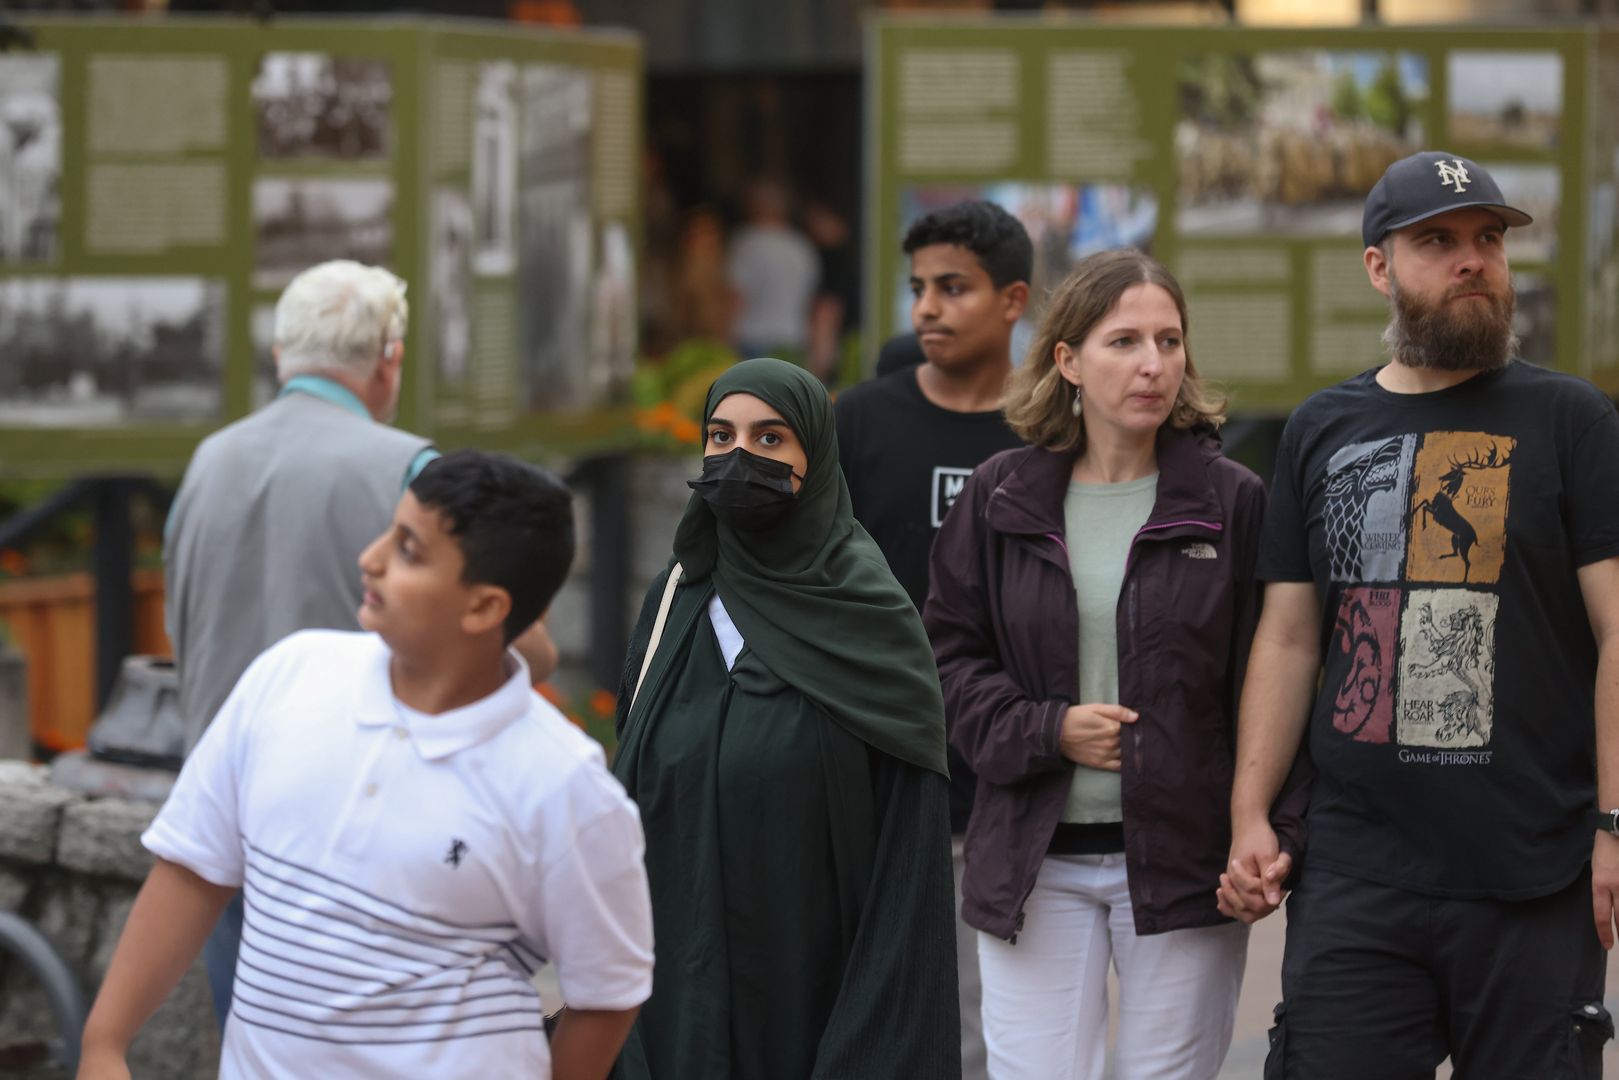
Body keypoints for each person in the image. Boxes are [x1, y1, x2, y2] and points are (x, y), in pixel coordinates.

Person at [1221, 150, 1619, 1078]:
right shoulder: (1321, 428)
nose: (1471, 260)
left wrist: (1614, 824)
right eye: (1436, 241)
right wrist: (1249, 815)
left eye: (1487, 239)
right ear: (1377, 266)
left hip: (1533, 870)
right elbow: (1287, 637)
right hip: (1359, 867)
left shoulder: (1573, 421)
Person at [80, 451, 654, 1080]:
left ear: (485, 608)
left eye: (409, 549)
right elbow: (193, 868)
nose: (370, 557)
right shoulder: (289, 674)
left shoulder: (566, 785)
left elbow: (607, 992)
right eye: (391, 530)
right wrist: (104, 1044)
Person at [927, 249, 1305, 1080]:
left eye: (1169, 342)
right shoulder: (999, 496)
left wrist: (1271, 831)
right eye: (1124, 341)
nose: (1152, 365)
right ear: (1066, 360)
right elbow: (947, 659)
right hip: (1035, 859)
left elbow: (1273, 676)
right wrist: (1046, 728)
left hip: (1181, 862)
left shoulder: (1230, 499)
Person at [164, 259, 558, 1027]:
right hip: (362, 830)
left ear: (282, 354)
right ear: (390, 359)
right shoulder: (412, 472)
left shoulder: (208, 462)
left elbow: (186, 627)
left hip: (225, 815)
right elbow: (530, 647)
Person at [612, 357, 961, 1079]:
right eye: (719, 436)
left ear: (817, 457)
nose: (737, 457)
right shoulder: (674, 602)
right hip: (673, 1003)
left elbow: (907, 875)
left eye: (770, 440)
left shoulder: (870, 618)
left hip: (818, 1007)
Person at [835, 198, 1032, 1080]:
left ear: (1013, 300)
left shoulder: (1050, 428)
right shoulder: (859, 422)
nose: (926, 308)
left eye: (953, 287)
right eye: (918, 288)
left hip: (1006, 775)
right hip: (870, 764)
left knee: (995, 1026)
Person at [726, 178, 819, 360]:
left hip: (753, 341)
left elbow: (737, 296)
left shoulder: (748, 242)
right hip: (794, 339)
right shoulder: (801, 245)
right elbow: (810, 300)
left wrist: (723, 339)